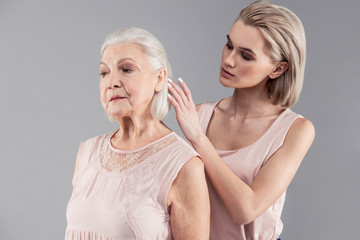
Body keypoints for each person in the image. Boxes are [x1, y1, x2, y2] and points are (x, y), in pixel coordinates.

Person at [167, 0, 315, 239]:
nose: (228, 60)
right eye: (228, 45)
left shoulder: (295, 130)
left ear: (277, 69)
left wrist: (198, 138)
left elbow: (246, 210)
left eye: (245, 55)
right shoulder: (198, 115)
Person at [65, 27, 210, 240]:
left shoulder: (183, 165)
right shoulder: (87, 152)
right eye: (104, 72)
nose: (111, 82)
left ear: (159, 79)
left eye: (126, 69)